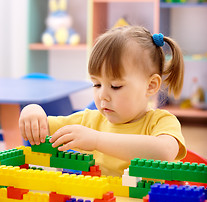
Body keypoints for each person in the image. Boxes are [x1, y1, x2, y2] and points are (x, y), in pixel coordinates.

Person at [19, 25, 186, 177]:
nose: (102, 95)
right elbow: (43, 129)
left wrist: (97, 140)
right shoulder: (88, 121)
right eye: (96, 84)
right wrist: (32, 111)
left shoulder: (160, 122)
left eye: (115, 86)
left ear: (150, 85)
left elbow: (164, 151)